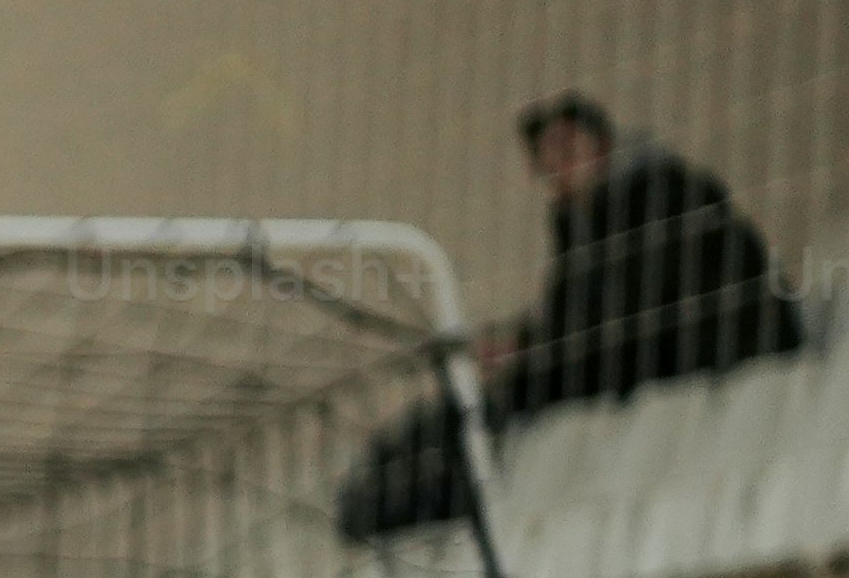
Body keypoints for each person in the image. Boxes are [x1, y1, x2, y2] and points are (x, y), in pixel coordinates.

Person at [338, 95, 803, 545]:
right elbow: (582, 312)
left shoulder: (663, 194)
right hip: (636, 353)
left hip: (697, 348)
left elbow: (623, 310)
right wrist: (523, 341)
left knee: (493, 402)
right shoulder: (583, 221)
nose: (558, 164)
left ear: (602, 143)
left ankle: (407, 497)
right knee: (481, 400)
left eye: (567, 146)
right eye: (547, 156)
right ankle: (393, 494)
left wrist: (530, 347)